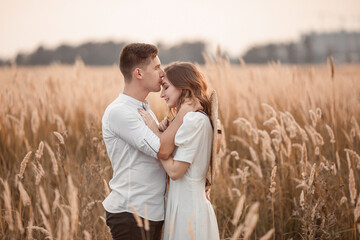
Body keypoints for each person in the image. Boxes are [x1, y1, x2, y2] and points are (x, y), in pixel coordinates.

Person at [102, 43, 197, 240]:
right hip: (131, 213)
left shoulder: (144, 109)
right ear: (138, 73)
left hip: (153, 212)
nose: (162, 73)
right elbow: (162, 150)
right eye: (156, 67)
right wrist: (183, 113)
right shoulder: (121, 112)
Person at [138, 62, 220, 240]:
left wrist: (153, 132)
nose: (162, 94)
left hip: (188, 212)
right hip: (185, 206)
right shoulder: (197, 119)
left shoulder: (193, 121)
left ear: (183, 87)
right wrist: (162, 134)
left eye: (166, 87)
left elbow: (175, 171)